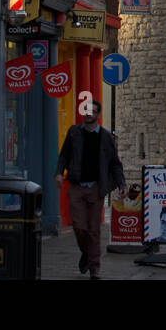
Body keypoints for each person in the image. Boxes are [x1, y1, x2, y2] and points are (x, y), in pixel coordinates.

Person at [54, 100, 126, 279]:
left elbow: (115, 164)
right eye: (86, 111)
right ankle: (86, 254)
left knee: (93, 229)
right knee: (79, 227)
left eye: (92, 111)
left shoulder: (106, 137)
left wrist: (122, 184)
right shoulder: (74, 132)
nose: (88, 114)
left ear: (98, 115)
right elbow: (63, 155)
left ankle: (94, 267)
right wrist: (58, 173)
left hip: (96, 187)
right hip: (77, 186)